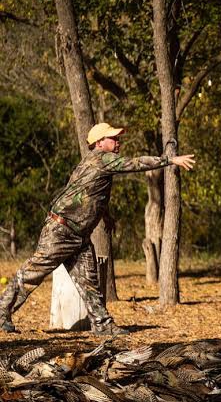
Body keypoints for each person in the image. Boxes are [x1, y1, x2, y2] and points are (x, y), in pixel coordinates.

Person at [0, 122, 195, 335]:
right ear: (100, 142)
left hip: (78, 234)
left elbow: (90, 195)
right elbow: (135, 163)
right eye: (114, 138)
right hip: (61, 231)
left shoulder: (95, 163)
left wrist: (106, 216)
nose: (118, 142)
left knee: (89, 282)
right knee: (32, 273)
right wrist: (170, 160)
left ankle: (103, 324)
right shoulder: (102, 159)